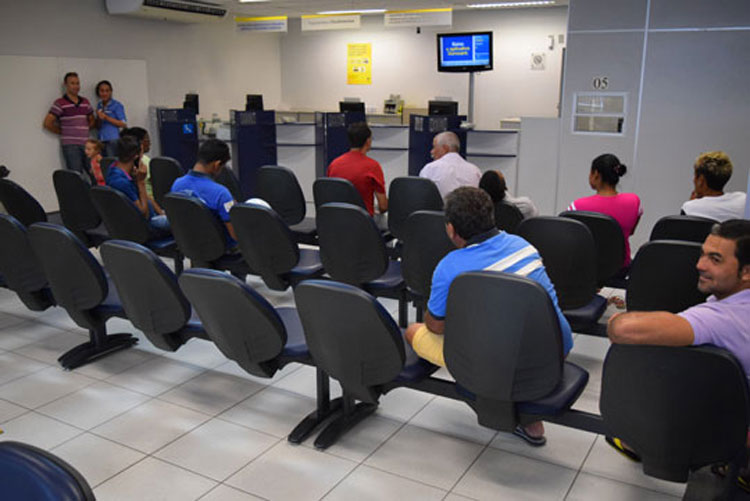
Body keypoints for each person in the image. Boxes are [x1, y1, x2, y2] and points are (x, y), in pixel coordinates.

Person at [404, 187, 573, 446]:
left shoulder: (449, 267)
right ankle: (528, 420)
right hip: (556, 352)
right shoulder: (524, 246)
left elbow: (436, 326)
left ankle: (498, 405)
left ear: (450, 229)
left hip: (501, 367)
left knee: (414, 330)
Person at [606, 219, 750, 472]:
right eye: (703, 254)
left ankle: (637, 440)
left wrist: (618, 318)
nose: (699, 264)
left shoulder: (720, 319)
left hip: (731, 430)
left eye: (715, 259)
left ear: (746, 272)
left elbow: (622, 329)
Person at [568, 153, 642, 268]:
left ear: (596, 174)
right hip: (620, 267)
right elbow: (630, 231)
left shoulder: (576, 207)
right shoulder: (634, 202)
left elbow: (571, 239)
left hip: (586, 267)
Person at [171, 139, 238, 247]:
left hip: (190, 245)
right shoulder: (221, 193)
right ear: (216, 165)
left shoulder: (177, 184)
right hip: (220, 248)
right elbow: (235, 234)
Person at [106, 136, 169, 235]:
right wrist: (140, 182)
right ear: (136, 156)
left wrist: (161, 213)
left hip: (140, 221)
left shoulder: (113, 168)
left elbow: (145, 197)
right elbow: (145, 214)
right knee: (184, 222)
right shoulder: (122, 182)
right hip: (146, 226)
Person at [327, 122, 387, 216]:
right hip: (362, 224)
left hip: (337, 221)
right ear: (368, 141)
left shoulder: (334, 164)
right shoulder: (373, 166)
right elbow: (383, 207)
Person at [43, 72, 94, 175]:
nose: (76, 86)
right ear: (66, 85)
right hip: (71, 146)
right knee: (76, 175)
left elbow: (92, 119)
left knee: (95, 173)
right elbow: (47, 123)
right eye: (73, 83)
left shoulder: (85, 102)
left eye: (77, 83)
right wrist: (64, 131)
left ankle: (95, 191)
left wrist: (86, 128)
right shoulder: (60, 103)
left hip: (87, 144)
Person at [681, 151, 747, 222]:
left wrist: (692, 203)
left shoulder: (689, 208)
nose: (693, 180)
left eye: (695, 176)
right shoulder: (743, 200)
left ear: (701, 180)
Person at [419, 131, 481, 200]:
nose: (432, 151)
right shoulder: (475, 170)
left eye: (434, 147)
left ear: (445, 148)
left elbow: (421, 196)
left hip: (438, 210)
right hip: (468, 210)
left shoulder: (430, 168)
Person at [95, 80, 127, 157]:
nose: (104, 93)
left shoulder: (117, 105)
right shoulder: (99, 105)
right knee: (104, 164)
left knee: (112, 163)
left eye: (107, 91)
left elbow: (123, 124)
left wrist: (106, 117)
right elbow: (98, 126)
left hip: (113, 140)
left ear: (111, 92)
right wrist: (99, 118)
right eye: (102, 91)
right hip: (101, 140)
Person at [120, 127, 154, 197]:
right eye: (147, 139)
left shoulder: (121, 163)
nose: (150, 142)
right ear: (140, 142)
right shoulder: (145, 162)